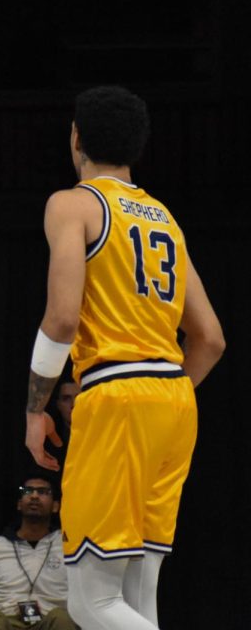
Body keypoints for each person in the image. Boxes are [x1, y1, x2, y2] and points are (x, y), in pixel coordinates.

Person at [21, 86, 225, 629]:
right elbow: (210, 339)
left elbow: (62, 318)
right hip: (175, 402)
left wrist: (35, 407)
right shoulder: (165, 219)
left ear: (76, 139)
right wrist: (166, 392)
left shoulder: (73, 204)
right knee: (137, 601)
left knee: (92, 602)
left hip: (115, 394)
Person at [0, 476, 77, 630]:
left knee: (62, 618)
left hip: (51, 622)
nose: (34, 496)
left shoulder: (69, 546)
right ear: (19, 504)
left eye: (43, 492)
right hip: (4, 622)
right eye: (27, 491)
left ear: (55, 506)